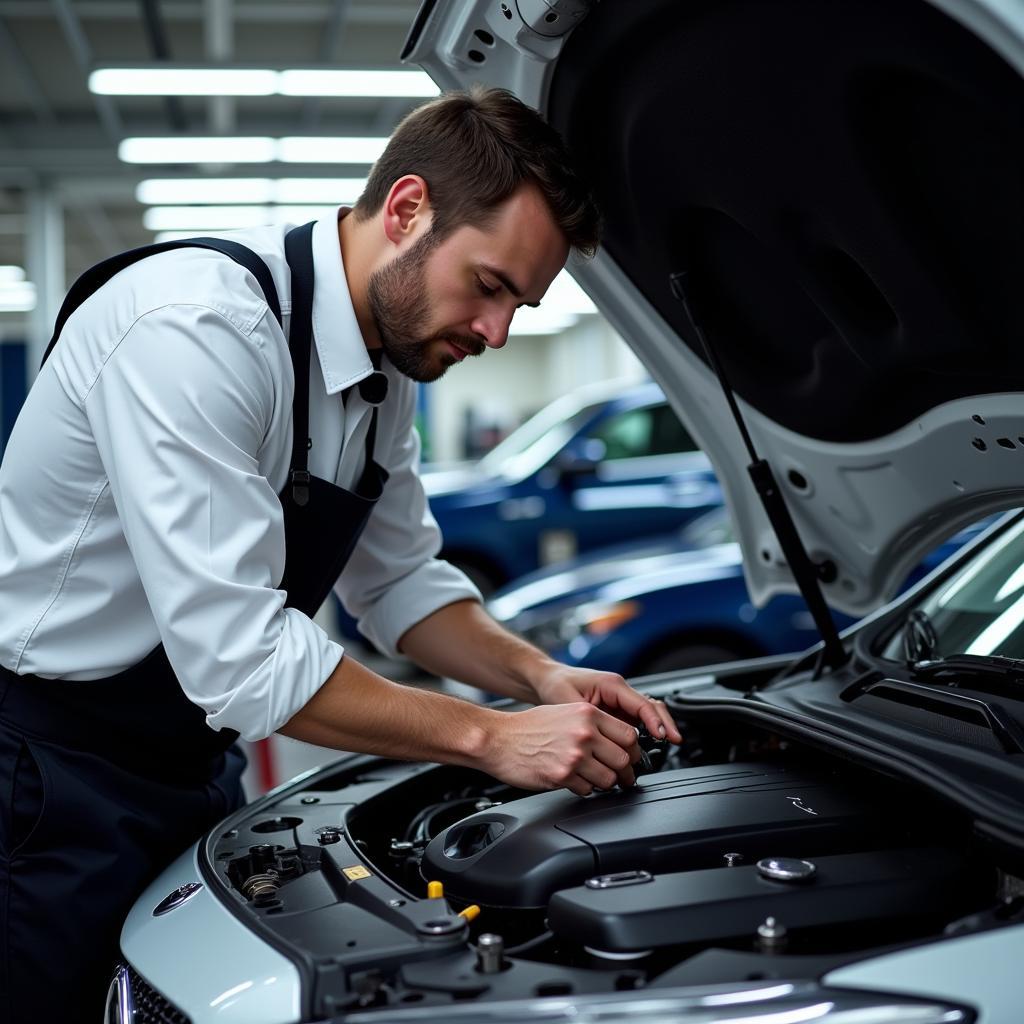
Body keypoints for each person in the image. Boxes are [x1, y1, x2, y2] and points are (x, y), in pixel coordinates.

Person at [0, 86, 681, 1020]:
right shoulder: (195, 328)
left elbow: (401, 586)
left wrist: (540, 679)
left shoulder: (383, 367)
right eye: (489, 287)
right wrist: (492, 737)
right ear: (406, 211)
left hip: (190, 769)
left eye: (520, 306)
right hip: (44, 784)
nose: (497, 333)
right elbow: (242, 663)